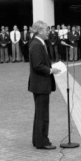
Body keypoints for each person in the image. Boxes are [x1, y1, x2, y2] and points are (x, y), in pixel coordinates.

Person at [28, 20, 61, 150]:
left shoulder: (39, 43)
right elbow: (37, 65)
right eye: (47, 29)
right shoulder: (36, 44)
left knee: (40, 113)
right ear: (40, 31)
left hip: (40, 84)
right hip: (40, 85)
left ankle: (38, 139)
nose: (49, 32)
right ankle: (42, 141)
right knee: (42, 114)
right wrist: (51, 70)